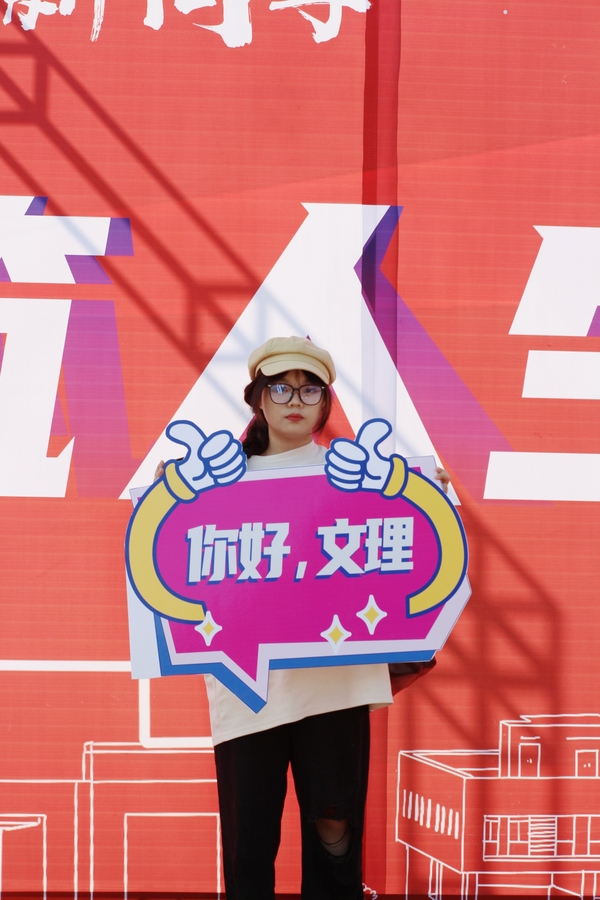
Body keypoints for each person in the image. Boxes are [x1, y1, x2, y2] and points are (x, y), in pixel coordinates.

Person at [155, 335, 450, 900]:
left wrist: (423, 498)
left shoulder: (361, 476)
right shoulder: (213, 481)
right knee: (248, 845)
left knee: (335, 832)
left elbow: (414, 554)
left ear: (325, 403)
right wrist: (172, 497)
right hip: (247, 688)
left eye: (310, 389)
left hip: (335, 684)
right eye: (281, 388)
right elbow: (170, 558)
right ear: (257, 398)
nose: (295, 400)